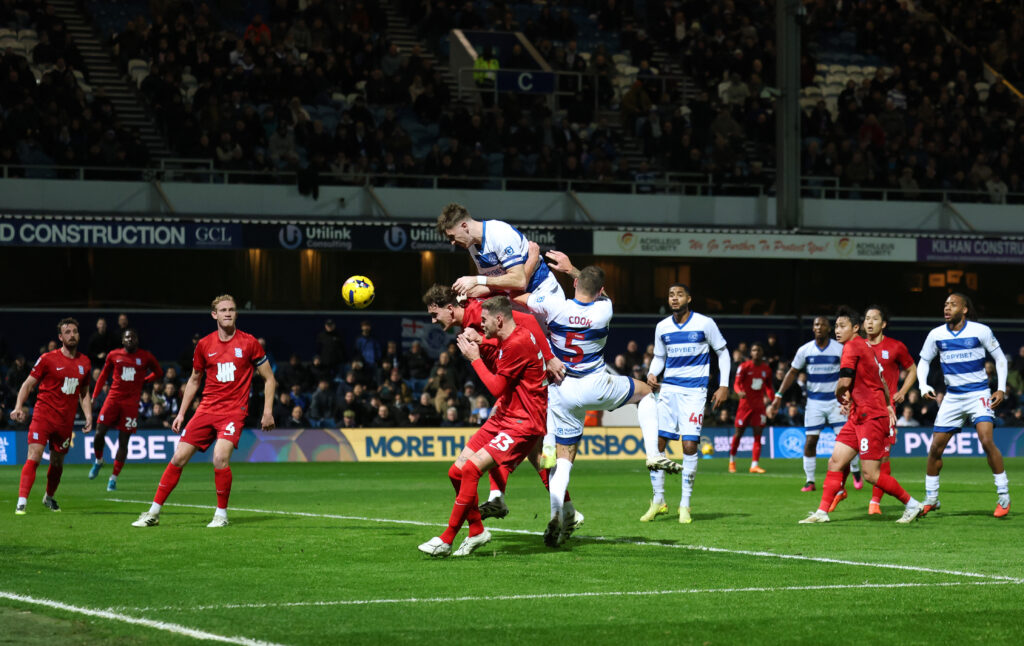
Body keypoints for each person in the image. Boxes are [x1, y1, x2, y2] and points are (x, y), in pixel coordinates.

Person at [519, 253, 654, 546]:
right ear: (600, 290)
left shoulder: (555, 305)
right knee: (645, 392)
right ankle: (653, 452)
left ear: (576, 284)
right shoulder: (604, 310)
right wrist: (571, 270)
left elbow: (522, 298)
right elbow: (600, 292)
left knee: (563, 460)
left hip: (562, 387)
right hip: (595, 385)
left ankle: (556, 512)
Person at [418, 296, 548, 557]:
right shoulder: (515, 335)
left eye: (484, 322)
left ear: (499, 319)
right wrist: (483, 340)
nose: (481, 326)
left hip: (523, 422)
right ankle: (477, 530)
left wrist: (475, 358)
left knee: (471, 470)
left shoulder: (517, 343)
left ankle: (447, 539)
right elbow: (500, 345)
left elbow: (497, 387)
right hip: (506, 415)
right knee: (456, 472)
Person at [131, 295, 276, 528]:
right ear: (214, 315)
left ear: (236, 314)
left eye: (232, 309)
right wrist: (181, 413)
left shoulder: (249, 343)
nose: (228, 313)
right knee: (178, 457)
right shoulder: (204, 345)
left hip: (233, 411)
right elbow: (194, 380)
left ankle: (221, 515)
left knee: (219, 457)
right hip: (206, 409)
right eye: (223, 310)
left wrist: (267, 411)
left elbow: (269, 379)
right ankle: (153, 513)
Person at [799, 306, 923, 524]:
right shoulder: (865, 347)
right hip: (859, 414)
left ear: (855, 328)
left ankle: (912, 504)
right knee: (836, 462)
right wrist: (886, 404)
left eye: (842, 326)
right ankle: (822, 512)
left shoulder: (851, 347)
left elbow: (844, 381)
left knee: (870, 475)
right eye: (836, 326)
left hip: (870, 417)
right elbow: (883, 382)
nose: (837, 330)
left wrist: (841, 395)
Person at [641, 283, 731, 524]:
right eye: (671, 294)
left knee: (689, 446)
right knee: (656, 445)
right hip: (668, 391)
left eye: (679, 294)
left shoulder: (704, 323)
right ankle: (659, 500)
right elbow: (660, 357)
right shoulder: (662, 327)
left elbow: (722, 352)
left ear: (689, 298)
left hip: (694, 393)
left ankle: (685, 504)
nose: (674, 298)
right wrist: (652, 373)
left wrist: (723, 385)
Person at [916, 293, 1010, 517]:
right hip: (952, 397)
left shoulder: (980, 331)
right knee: (935, 449)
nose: (947, 308)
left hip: (978, 394)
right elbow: (924, 361)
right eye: (945, 304)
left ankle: (1004, 497)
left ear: (965, 309)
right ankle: (931, 498)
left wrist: (1002, 388)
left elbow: (1000, 359)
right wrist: (922, 385)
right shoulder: (936, 334)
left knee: (987, 440)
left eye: (952, 304)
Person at [12, 317, 93, 514]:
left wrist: (89, 415)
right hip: (43, 416)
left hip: (65, 421)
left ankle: (49, 497)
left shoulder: (85, 362)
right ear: (60, 337)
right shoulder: (48, 359)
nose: (72, 335)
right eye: (67, 332)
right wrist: (18, 407)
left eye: (74, 331)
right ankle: (22, 502)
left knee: (57, 462)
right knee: (35, 455)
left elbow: (84, 393)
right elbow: (27, 384)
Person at [768, 316, 857, 492]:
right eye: (816, 324)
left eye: (822, 325)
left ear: (828, 329)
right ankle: (810, 481)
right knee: (810, 441)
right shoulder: (805, 350)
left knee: (846, 442)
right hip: (814, 402)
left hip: (836, 402)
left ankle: (854, 471)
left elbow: (851, 373)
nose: (819, 327)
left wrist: (851, 397)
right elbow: (792, 372)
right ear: (813, 328)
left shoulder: (839, 349)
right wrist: (778, 395)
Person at [436, 202, 565, 304]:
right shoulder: (471, 246)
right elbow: (494, 284)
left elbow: (519, 281)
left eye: (452, 237)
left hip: (542, 290)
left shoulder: (499, 233)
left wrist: (476, 280)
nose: (452, 243)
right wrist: (465, 292)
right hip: (517, 297)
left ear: (464, 226)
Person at [89, 328, 163, 491]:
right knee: (99, 432)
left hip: (131, 404)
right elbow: (103, 375)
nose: (130, 339)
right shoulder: (114, 355)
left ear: (137, 340)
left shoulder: (146, 356)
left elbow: (158, 372)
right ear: (123, 341)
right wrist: (94, 396)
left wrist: (145, 380)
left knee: (124, 441)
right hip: (113, 399)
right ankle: (99, 460)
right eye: (127, 337)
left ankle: (113, 478)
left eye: (133, 337)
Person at [861, 305, 916, 515]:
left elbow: (912, 369)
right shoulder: (857, 346)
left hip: (884, 412)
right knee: (841, 456)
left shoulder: (895, 347)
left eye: (874, 319)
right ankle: (833, 494)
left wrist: (902, 391)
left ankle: (875, 502)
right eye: (866, 318)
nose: (869, 322)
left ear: (883, 324)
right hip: (858, 412)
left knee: (882, 459)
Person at [730, 341, 773, 474]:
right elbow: (736, 383)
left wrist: (772, 401)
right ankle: (732, 461)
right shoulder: (744, 367)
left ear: (762, 353)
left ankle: (754, 465)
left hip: (759, 407)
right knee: (738, 433)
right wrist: (738, 392)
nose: (756, 352)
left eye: (758, 350)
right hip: (744, 406)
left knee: (758, 435)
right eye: (754, 350)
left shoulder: (766, 369)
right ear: (750, 352)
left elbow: (769, 387)